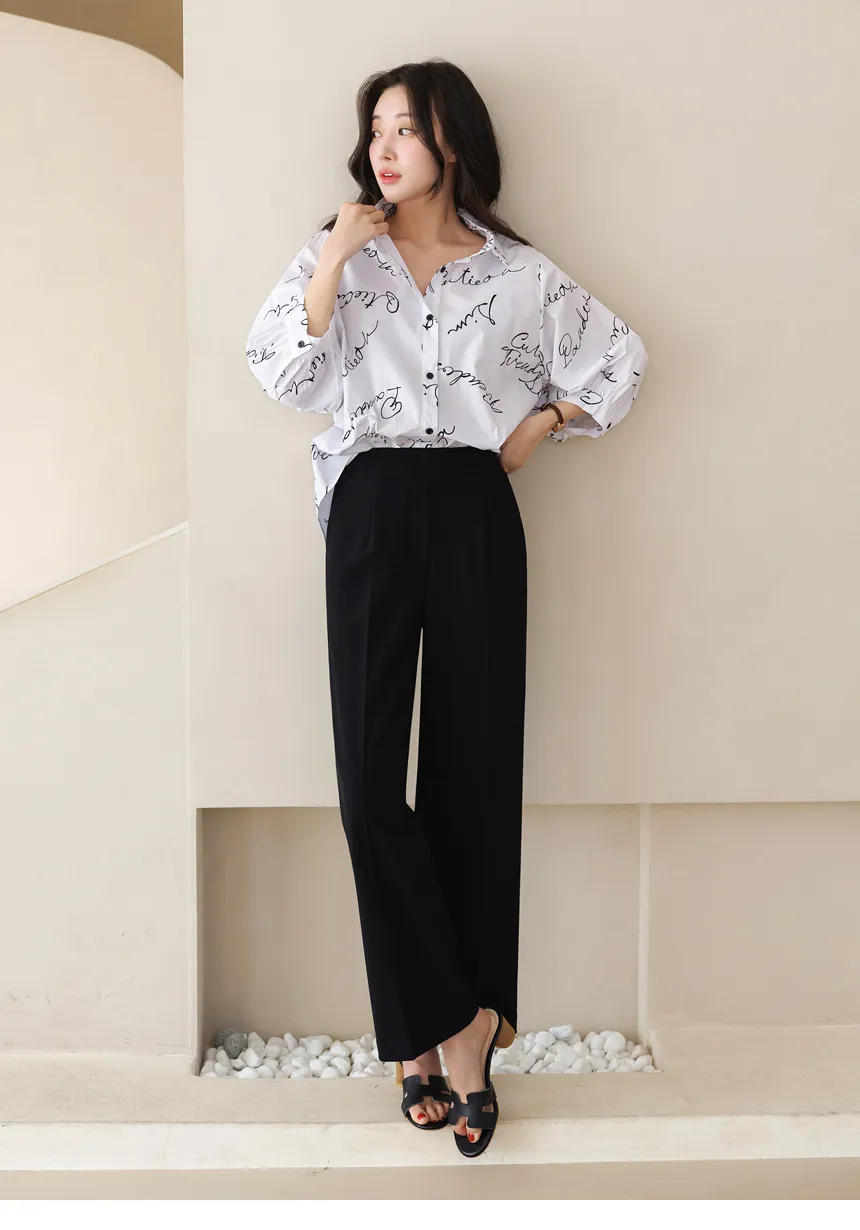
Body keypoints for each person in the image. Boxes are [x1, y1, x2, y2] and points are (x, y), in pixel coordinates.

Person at [246, 58, 648, 1159]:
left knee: (474, 771)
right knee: (368, 784)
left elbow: (620, 359)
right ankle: (441, 1013)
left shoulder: (517, 274)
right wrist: (335, 258)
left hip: (474, 505)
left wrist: (542, 424)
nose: (384, 147)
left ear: (451, 141)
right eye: (374, 128)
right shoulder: (338, 254)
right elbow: (281, 374)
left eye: (406, 128)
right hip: (370, 502)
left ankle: (452, 1045)